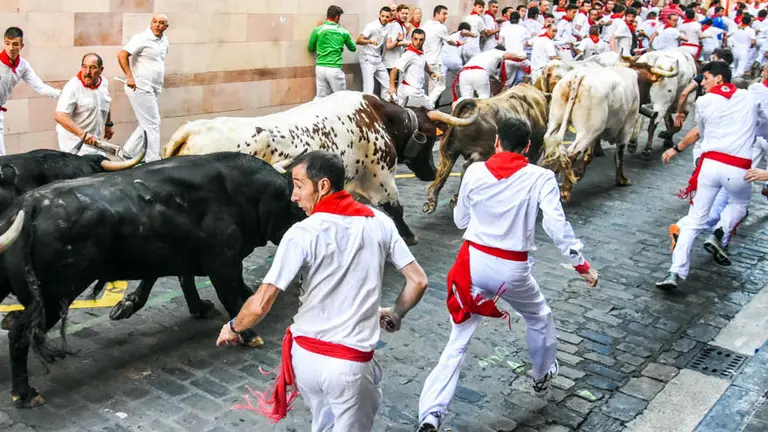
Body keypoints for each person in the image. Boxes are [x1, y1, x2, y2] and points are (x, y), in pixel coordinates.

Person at [216, 150, 429, 431]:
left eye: (299, 185)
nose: (293, 195)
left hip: (305, 361)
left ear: (324, 186)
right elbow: (418, 280)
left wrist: (233, 327)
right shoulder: (380, 223)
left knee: (322, 424)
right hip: (348, 367)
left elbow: (260, 304)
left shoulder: (301, 234)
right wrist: (396, 313)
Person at [416, 117, 599, 432]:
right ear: (527, 146)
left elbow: (461, 221)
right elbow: (555, 225)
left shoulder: (474, 172)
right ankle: (541, 375)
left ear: (497, 141)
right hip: (511, 269)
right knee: (539, 317)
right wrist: (580, 263)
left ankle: (431, 415)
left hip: (471, 264)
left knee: (456, 343)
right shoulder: (540, 177)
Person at [656, 61, 757, 289]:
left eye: (707, 78)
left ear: (719, 79)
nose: (703, 83)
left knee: (694, 219)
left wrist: (676, 148)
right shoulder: (749, 97)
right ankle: (721, 229)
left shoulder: (703, 101)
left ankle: (675, 272)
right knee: (739, 204)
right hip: (739, 168)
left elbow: (702, 129)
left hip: (710, 166)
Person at [0, 26, 60, 156]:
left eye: (15, 44)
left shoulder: (23, 65)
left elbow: (39, 86)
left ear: (21, 46)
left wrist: (63, 95)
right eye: (7, 43)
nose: (11, 48)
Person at [118, 13, 169, 162]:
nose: (157, 25)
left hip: (154, 88)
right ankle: (152, 159)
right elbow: (122, 55)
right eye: (155, 22)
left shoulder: (164, 41)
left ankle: (127, 151)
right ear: (150, 23)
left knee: (147, 122)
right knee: (153, 123)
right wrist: (129, 77)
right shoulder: (141, 38)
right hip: (140, 86)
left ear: (166, 27)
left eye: (161, 23)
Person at [54, 53, 112, 155]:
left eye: (92, 67)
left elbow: (105, 103)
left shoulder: (104, 82)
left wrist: (108, 124)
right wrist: (82, 134)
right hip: (75, 145)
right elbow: (59, 115)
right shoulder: (72, 87)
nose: (87, 72)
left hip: (95, 142)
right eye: (84, 67)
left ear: (101, 70)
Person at [308, 6, 356, 100]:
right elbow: (353, 48)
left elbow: (311, 48)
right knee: (340, 98)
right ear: (337, 17)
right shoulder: (343, 32)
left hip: (320, 68)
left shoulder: (318, 29)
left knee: (321, 97)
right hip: (334, 69)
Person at [422, 5, 464, 105]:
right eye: (443, 14)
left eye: (446, 14)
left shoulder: (426, 24)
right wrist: (458, 43)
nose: (446, 16)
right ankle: (428, 106)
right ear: (436, 14)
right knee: (440, 86)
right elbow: (449, 41)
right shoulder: (441, 27)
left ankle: (430, 108)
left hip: (424, 61)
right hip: (435, 63)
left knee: (431, 88)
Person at [454, 46, 529, 101]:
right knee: (484, 98)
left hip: (463, 73)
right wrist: (521, 57)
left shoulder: (482, 55)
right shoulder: (496, 52)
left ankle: (459, 115)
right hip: (479, 72)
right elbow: (508, 55)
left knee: (465, 99)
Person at [390, 29, 438, 109]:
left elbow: (424, 63)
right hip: (413, 91)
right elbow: (394, 70)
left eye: (421, 40)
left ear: (424, 40)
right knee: (431, 108)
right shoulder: (409, 54)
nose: (418, 42)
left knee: (400, 113)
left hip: (408, 90)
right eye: (415, 39)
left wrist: (431, 72)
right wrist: (392, 87)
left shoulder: (420, 52)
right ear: (412, 39)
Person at [357, 6, 392, 100]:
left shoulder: (388, 27)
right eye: (383, 16)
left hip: (377, 58)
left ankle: (386, 104)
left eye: (387, 17)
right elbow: (358, 40)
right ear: (379, 15)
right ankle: (366, 110)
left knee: (387, 83)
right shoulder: (371, 26)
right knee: (369, 88)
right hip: (367, 58)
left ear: (390, 17)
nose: (384, 18)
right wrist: (370, 41)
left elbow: (387, 44)